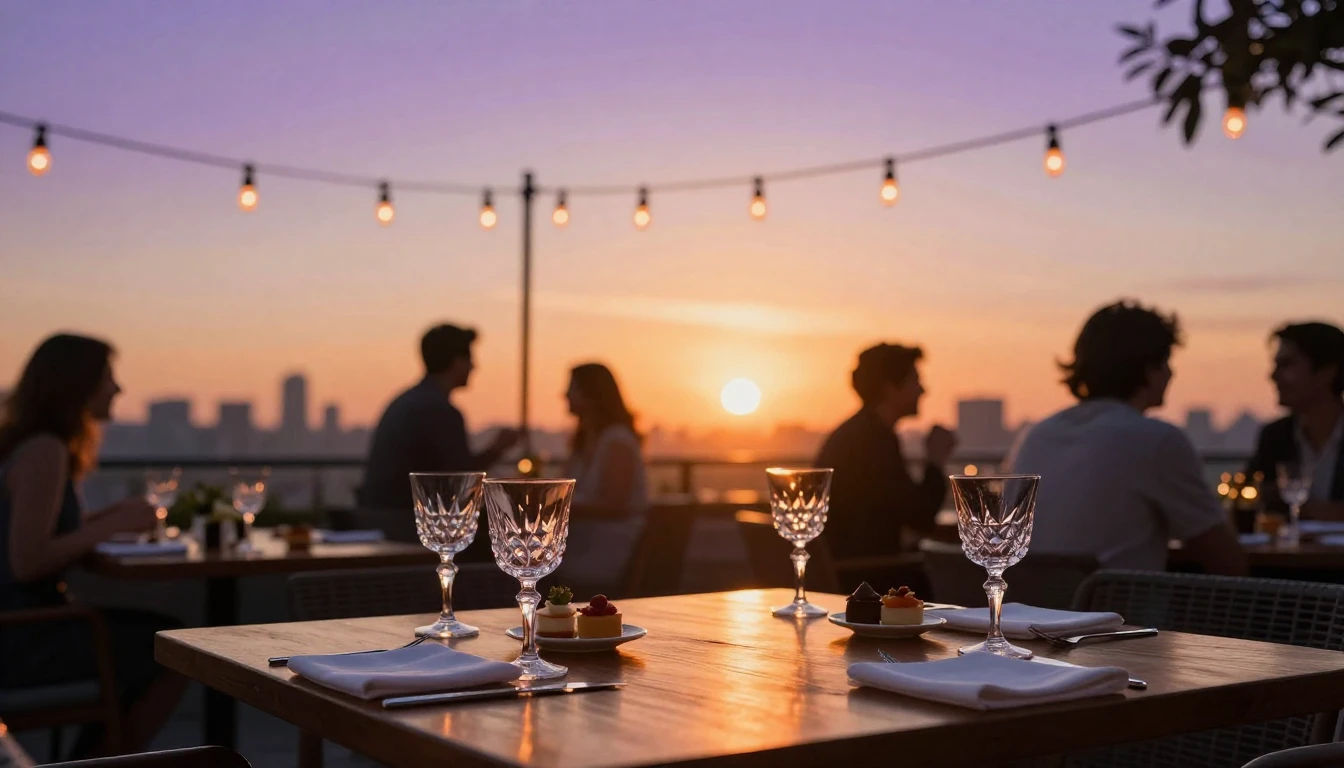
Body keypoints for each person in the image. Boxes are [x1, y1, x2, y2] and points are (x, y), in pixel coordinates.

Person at [0, 334, 186, 758]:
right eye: (108, 378)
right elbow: (27, 561)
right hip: (24, 637)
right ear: (77, 384)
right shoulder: (44, 451)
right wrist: (110, 527)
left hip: (29, 624)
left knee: (163, 642)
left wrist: (101, 520)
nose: (117, 389)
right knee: (173, 651)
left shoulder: (29, 444)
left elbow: (33, 533)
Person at [1005, 301, 1246, 575]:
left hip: (1032, 613)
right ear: (1147, 368)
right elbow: (1226, 559)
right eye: (1165, 361)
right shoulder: (1156, 440)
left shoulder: (1036, 435)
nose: (1171, 373)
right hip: (1121, 615)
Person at [359, 323, 521, 525]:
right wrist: (497, 448)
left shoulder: (408, 401)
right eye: (469, 359)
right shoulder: (438, 410)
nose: (474, 366)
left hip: (380, 518)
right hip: (407, 524)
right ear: (457, 362)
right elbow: (461, 479)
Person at [816, 343, 957, 560]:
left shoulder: (858, 433)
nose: (923, 390)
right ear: (890, 387)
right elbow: (920, 517)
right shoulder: (873, 442)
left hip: (850, 571)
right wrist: (935, 460)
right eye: (915, 380)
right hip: (868, 577)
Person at [554, 363, 649, 593]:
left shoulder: (617, 442)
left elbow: (614, 505)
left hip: (608, 548)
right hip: (581, 543)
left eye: (572, 388)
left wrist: (562, 507)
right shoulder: (583, 441)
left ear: (593, 395)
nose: (564, 395)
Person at [1247, 322, 1344, 519]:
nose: (1273, 376)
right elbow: (1252, 501)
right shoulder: (1275, 436)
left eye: (1286, 365)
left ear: (1327, 372)